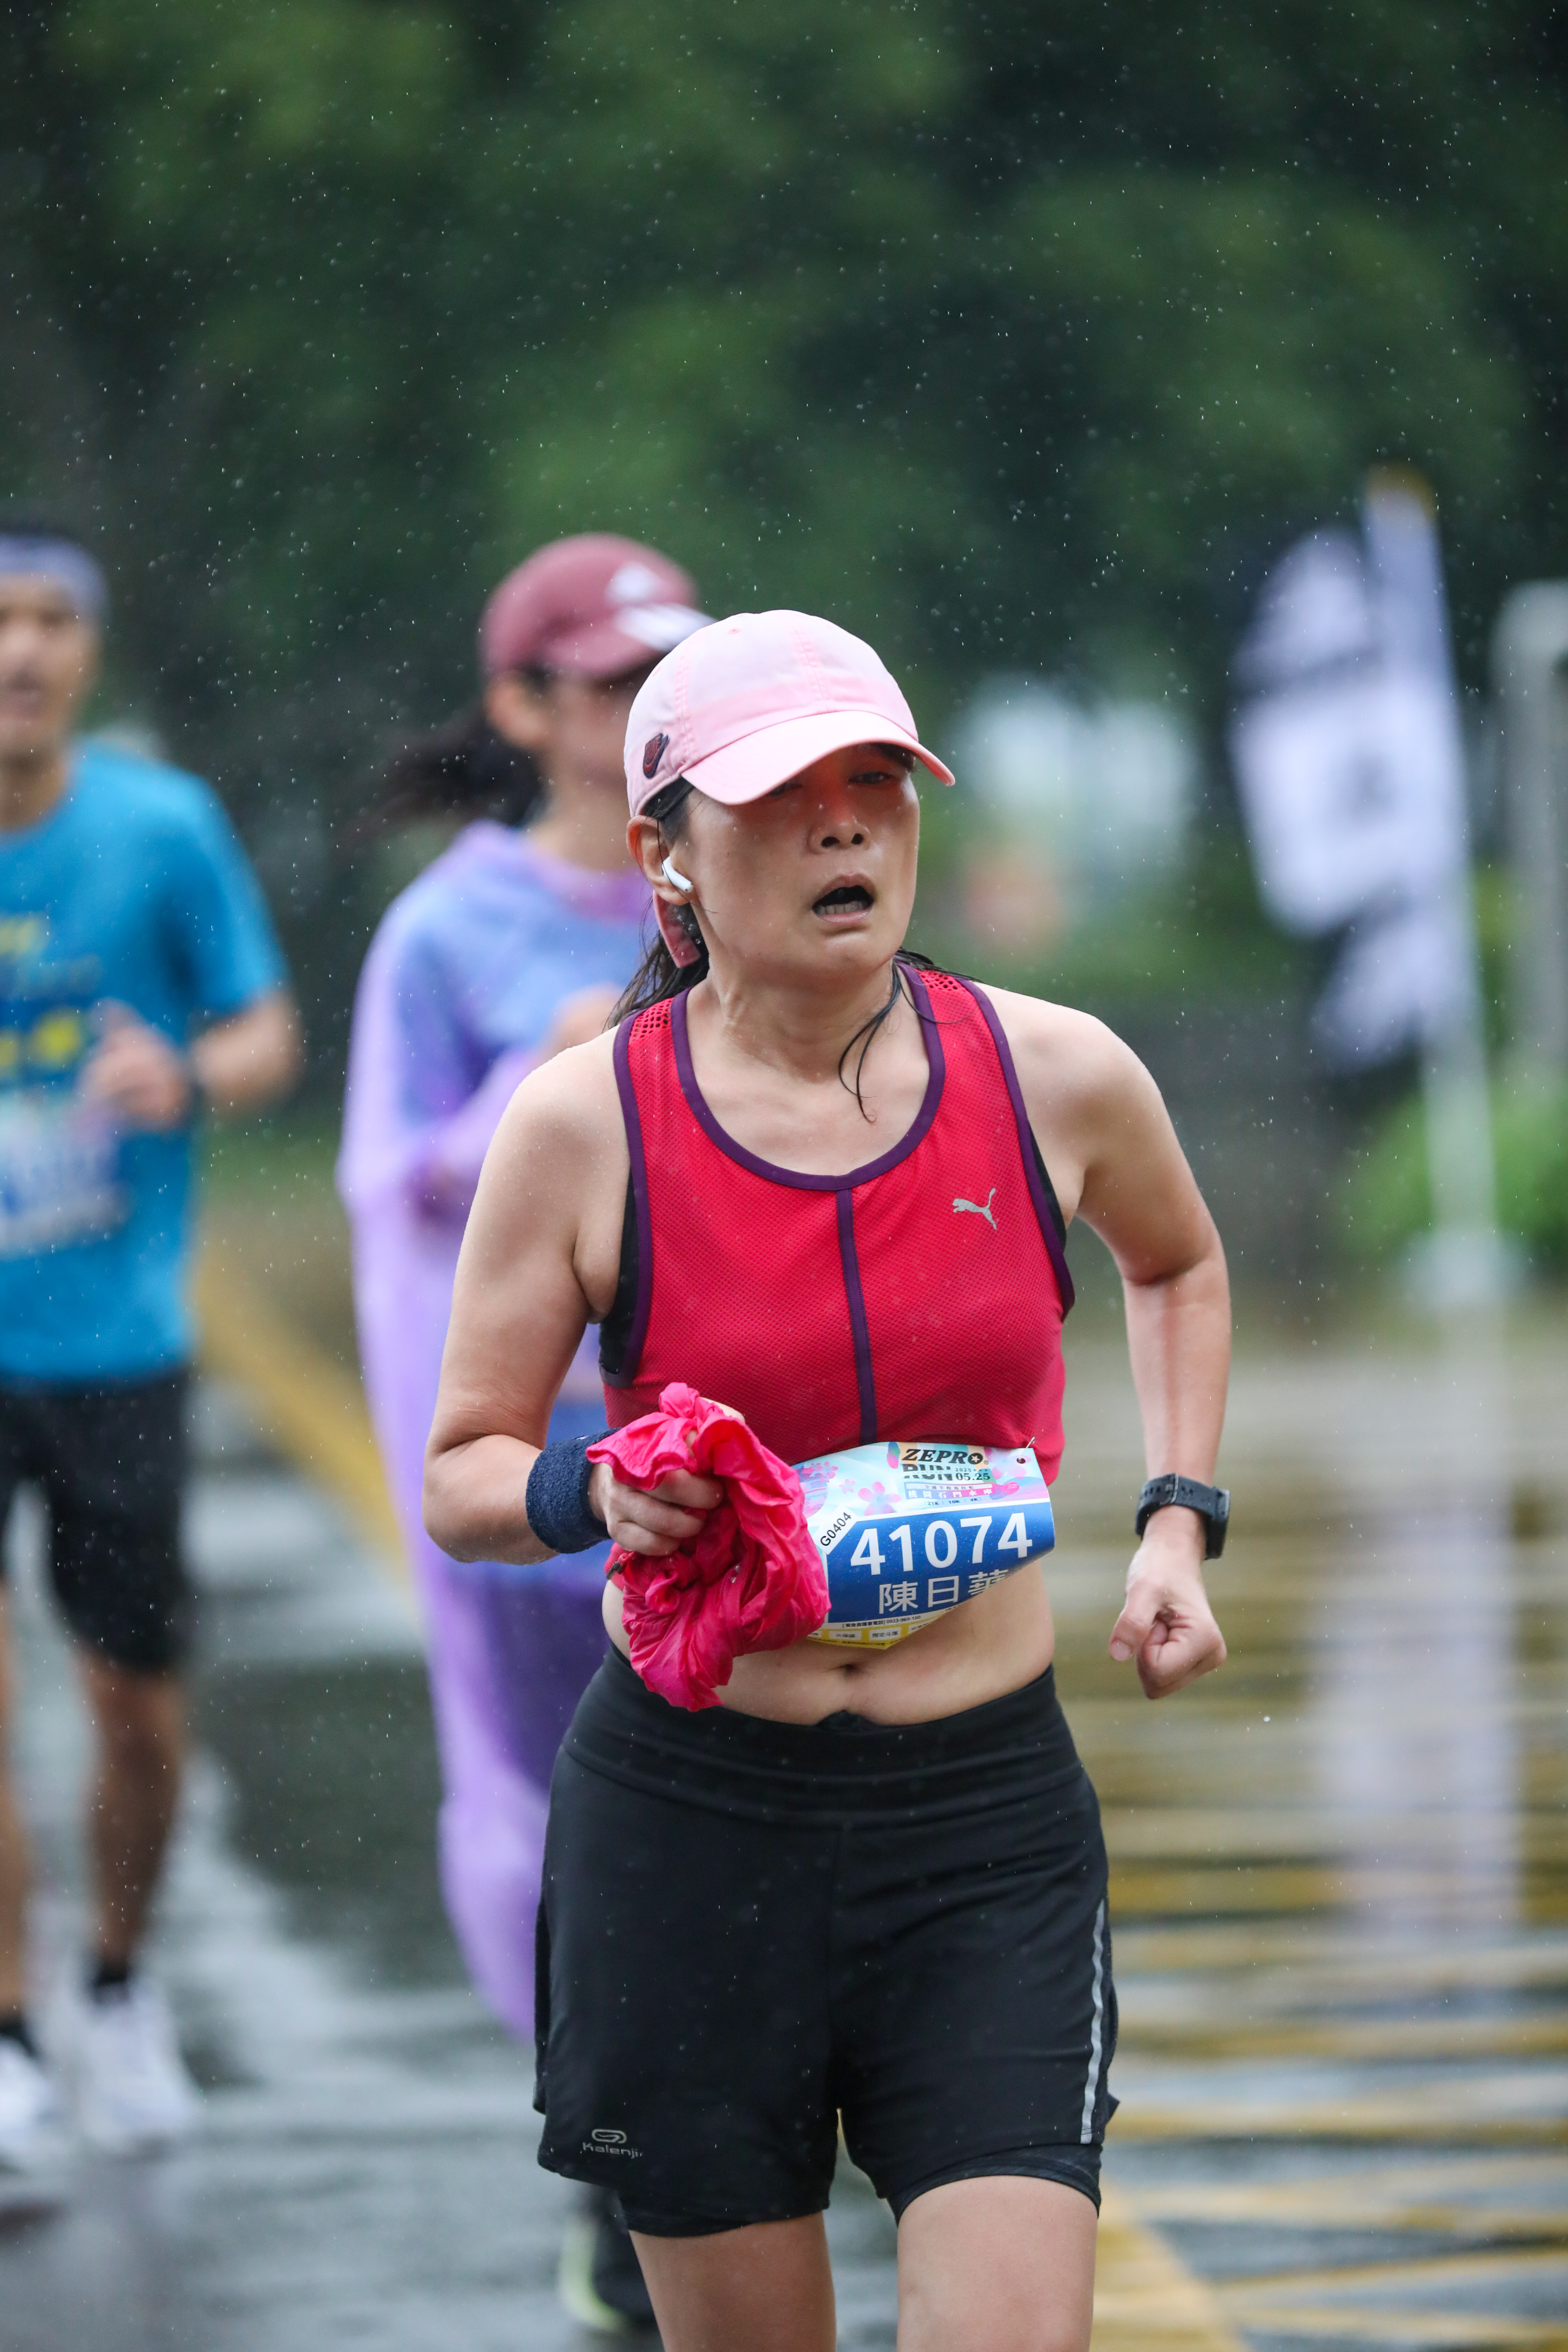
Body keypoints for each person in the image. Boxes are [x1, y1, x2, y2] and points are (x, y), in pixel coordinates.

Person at [424, 608, 1232, 2352]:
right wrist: (592, 1495)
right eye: (783, 795)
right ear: (667, 855)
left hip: (985, 1827)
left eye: (877, 781)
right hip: (692, 1829)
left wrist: (1178, 1522)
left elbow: (1175, 1264)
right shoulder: (582, 1124)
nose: (845, 822)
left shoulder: (1055, 1073)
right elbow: (461, 1473)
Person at [337, 532, 707, 2329]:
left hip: (705, 1448)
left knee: (731, 1807)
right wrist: (540, 1079)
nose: (648, 714)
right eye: (616, 683)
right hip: (530, 1474)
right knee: (544, 1822)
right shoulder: (444, 931)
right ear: (523, 704)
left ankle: (715, 2140)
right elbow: (387, 1183)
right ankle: (613, 2159)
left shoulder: (719, 890)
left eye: (671, 678)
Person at [0, 519, 300, 2171]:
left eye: (51, 619)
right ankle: (9, 2035)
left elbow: (266, 1033)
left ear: (88, 651)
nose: (20, 652)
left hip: (116, 1343)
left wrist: (185, 1076)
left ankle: (115, 1984)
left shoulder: (159, 829)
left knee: (133, 1710)